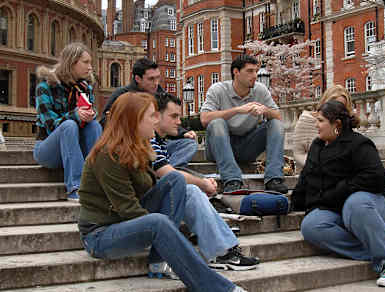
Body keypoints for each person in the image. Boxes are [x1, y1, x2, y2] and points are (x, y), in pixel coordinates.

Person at [78, 92, 248, 292]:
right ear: (134, 121)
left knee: (174, 179)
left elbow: (151, 191)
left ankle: (158, 260)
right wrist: (169, 237)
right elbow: (129, 210)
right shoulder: (108, 155)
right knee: (158, 224)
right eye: (151, 116)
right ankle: (218, 288)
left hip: (123, 220)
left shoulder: (138, 146)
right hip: (100, 235)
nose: (156, 120)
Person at [290, 100, 385, 287]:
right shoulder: (317, 146)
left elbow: (375, 177)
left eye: (320, 121)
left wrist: (341, 191)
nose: (316, 125)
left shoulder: (359, 144)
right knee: (311, 225)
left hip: (369, 206)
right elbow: (306, 178)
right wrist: (292, 201)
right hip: (334, 208)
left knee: (355, 203)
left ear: (336, 124)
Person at [151, 92, 259, 270]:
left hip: (155, 197)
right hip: (140, 208)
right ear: (156, 116)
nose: (179, 122)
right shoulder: (149, 140)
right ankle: (221, 250)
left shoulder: (160, 141)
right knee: (191, 190)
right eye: (174, 116)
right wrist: (202, 183)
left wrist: (200, 182)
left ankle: (220, 244)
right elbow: (169, 175)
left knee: (191, 187)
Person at [200, 54, 287, 195]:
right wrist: (238, 110)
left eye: (256, 71)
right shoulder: (218, 89)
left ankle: (274, 179)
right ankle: (232, 180)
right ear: (236, 72)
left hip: (247, 146)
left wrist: (265, 110)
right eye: (250, 71)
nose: (255, 75)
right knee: (216, 122)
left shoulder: (260, 90)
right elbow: (204, 119)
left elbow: (278, 116)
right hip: (218, 147)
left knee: (275, 123)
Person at [34, 42, 102, 201]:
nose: (90, 67)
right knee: (69, 125)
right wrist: (76, 115)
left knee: (94, 125)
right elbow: (50, 125)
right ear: (72, 62)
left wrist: (90, 114)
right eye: (86, 62)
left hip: (75, 147)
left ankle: (98, 182)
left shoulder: (85, 88)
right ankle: (75, 187)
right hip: (47, 150)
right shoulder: (45, 86)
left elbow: (88, 118)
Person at [100, 58, 197, 168]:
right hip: (135, 144)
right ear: (138, 78)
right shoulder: (122, 95)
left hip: (159, 144)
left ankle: (168, 171)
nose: (156, 83)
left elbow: (168, 118)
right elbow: (104, 122)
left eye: (157, 78)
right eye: (151, 79)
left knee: (189, 144)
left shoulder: (160, 94)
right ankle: (165, 172)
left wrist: (182, 132)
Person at [293, 85, 356, 172]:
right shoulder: (306, 120)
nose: (336, 109)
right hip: (313, 172)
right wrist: (315, 165)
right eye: (333, 104)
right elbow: (298, 153)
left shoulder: (346, 125)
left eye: (341, 106)